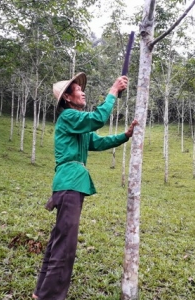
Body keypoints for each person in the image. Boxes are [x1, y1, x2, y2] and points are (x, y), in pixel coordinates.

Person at [33, 72, 138, 299]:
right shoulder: (70, 116)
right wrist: (112, 91)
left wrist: (125, 136)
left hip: (70, 184)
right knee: (65, 246)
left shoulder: (76, 124)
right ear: (68, 98)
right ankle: (50, 296)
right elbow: (98, 118)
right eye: (78, 90)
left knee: (58, 242)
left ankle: (41, 293)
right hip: (69, 184)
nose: (83, 92)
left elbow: (97, 141)